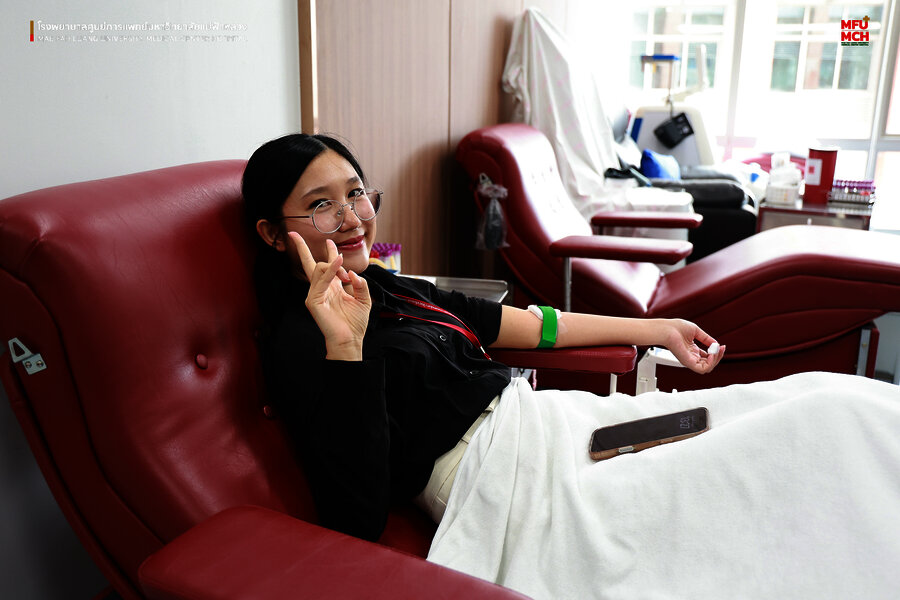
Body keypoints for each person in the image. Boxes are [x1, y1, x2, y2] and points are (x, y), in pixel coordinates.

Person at [241, 132, 725, 542]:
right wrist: (347, 347)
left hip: (541, 424)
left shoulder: (388, 285)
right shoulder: (301, 342)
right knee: (693, 502)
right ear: (272, 234)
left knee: (723, 431)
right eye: (321, 205)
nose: (352, 219)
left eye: (355, 194)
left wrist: (659, 329)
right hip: (496, 478)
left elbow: (537, 327)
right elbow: (357, 515)